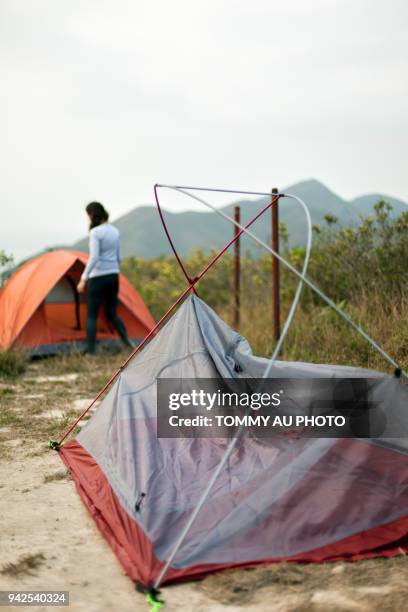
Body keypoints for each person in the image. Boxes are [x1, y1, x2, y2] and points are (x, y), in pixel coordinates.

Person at [77, 201, 134, 354]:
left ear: (91, 215)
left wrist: (83, 278)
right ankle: (128, 344)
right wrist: (114, 271)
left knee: (92, 315)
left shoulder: (95, 232)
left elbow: (94, 257)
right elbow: (118, 257)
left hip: (98, 277)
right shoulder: (115, 231)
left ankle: (91, 352)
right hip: (113, 276)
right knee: (112, 313)